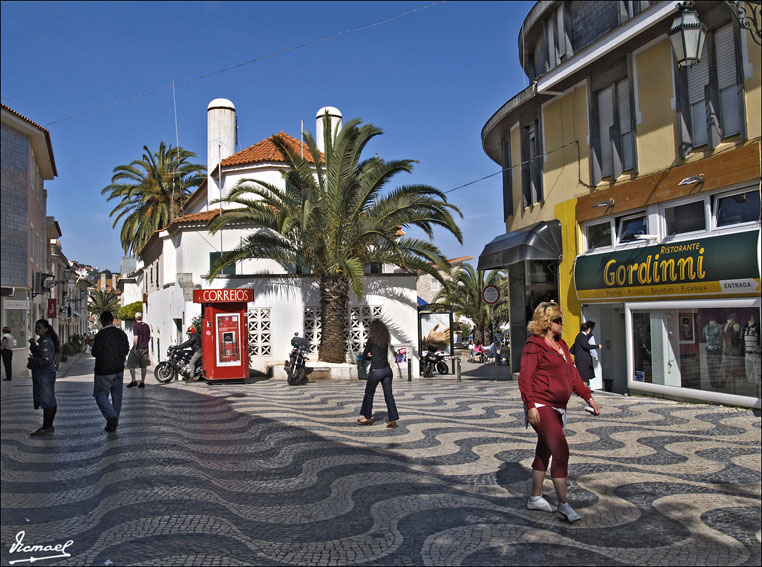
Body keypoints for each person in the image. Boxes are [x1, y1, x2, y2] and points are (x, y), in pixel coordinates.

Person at [519, 302, 600, 522]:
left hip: (558, 407)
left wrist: (588, 397)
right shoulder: (533, 346)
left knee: (544, 450)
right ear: (546, 322)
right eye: (558, 320)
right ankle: (564, 504)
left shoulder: (562, 345)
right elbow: (525, 378)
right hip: (541, 405)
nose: (562, 324)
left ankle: (535, 498)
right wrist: (531, 406)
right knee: (561, 450)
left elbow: (572, 376)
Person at [91, 311, 130, 433]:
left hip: (104, 370)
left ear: (102, 321)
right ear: (112, 320)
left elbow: (94, 352)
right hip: (119, 369)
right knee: (117, 396)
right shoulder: (121, 334)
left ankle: (111, 416)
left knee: (100, 394)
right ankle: (114, 422)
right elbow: (126, 349)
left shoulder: (100, 335)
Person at [357, 319, 399, 429]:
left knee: (369, 394)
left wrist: (370, 355)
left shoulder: (371, 340)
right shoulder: (385, 340)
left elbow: (365, 355)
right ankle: (392, 418)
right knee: (388, 395)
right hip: (387, 370)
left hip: (376, 370)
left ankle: (367, 417)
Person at [27, 319, 60, 436]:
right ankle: (48, 426)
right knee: (49, 399)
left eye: (39, 327)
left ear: (46, 329)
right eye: (36, 327)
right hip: (45, 374)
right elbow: (40, 353)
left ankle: (46, 426)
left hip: (45, 374)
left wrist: (33, 360)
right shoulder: (43, 341)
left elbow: (46, 360)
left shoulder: (45, 342)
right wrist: (33, 346)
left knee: (47, 400)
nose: (37, 329)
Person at [570, 322, 602, 387]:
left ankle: (584, 389)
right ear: (587, 329)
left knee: (583, 376)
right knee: (584, 377)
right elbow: (586, 346)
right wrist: (597, 346)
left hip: (581, 360)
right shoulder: (582, 336)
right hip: (582, 360)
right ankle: (584, 390)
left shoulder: (579, 336)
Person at [126, 312, 151, 388]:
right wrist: (146, 343)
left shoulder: (136, 326)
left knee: (130, 363)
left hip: (138, 347)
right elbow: (149, 336)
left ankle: (134, 380)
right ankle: (142, 382)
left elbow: (136, 337)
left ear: (135, 317)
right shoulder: (146, 326)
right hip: (145, 348)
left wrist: (135, 348)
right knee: (144, 366)